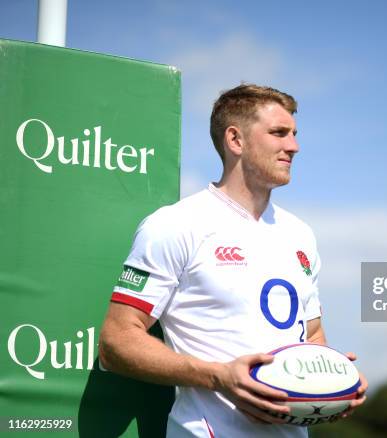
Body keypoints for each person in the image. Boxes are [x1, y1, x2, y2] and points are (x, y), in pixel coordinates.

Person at [98, 84, 367, 437]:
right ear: (235, 140)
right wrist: (218, 376)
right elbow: (115, 341)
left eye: (295, 135)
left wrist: (333, 383)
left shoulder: (301, 234)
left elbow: (312, 335)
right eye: (278, 133)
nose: (294, 146)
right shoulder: (176, 224)